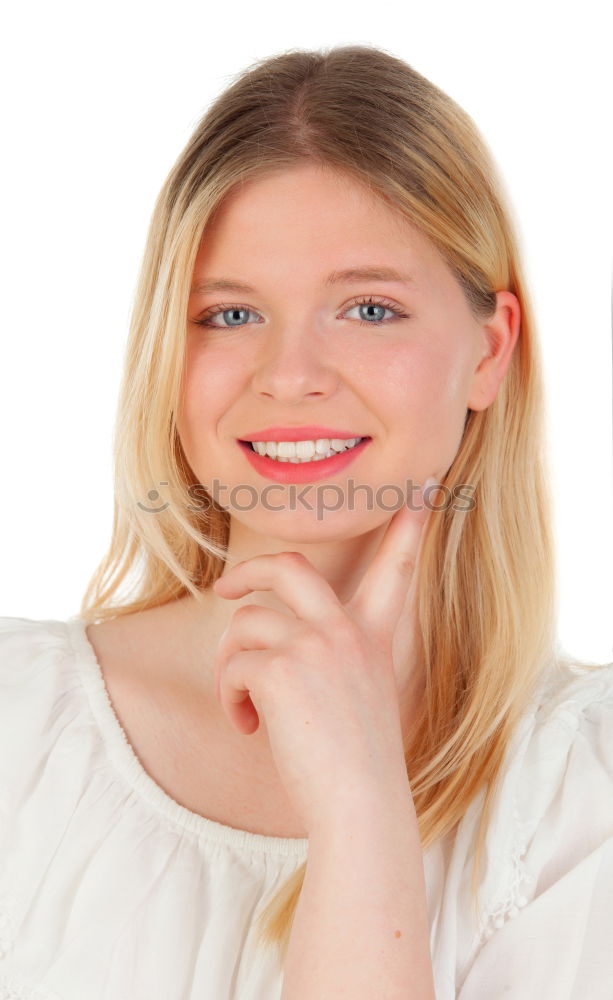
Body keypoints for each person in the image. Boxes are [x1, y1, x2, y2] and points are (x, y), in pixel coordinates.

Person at [0, 43, 611, 1000]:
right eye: (229, 316)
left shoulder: (581, 787)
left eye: (368, 308)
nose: (288, 374)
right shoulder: (18, 719)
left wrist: (362, 804)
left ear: (488, 354)